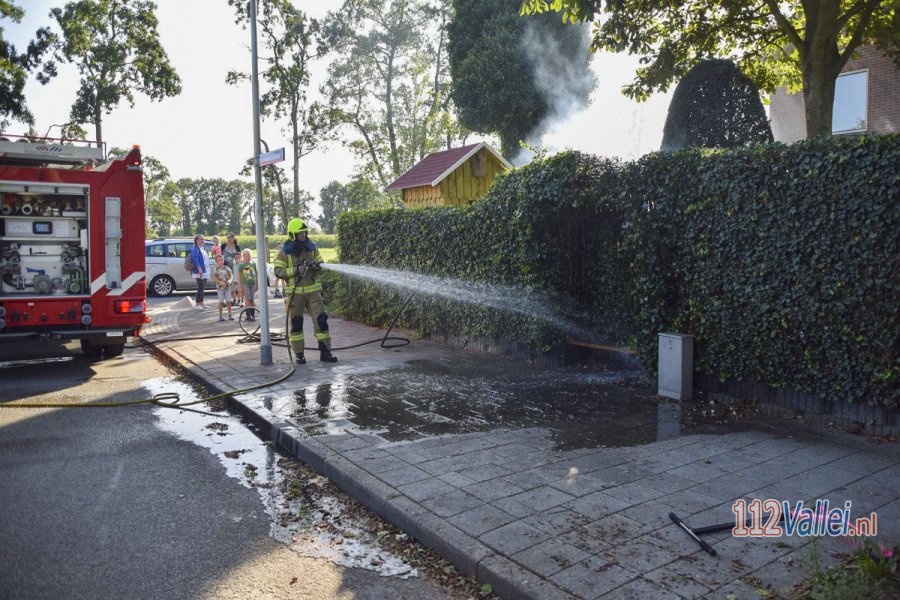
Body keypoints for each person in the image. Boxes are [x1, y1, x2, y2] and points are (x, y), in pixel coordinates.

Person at [273, 218, 337, 364]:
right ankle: (299, 355)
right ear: (292, 235)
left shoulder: (312, 247)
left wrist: (317, 265)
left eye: (304, 232)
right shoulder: (284, 252)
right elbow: (278, 271)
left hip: (313, 292)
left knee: (321, 321)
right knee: (296, 323)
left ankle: (326, 353)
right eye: (300, 233)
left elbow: (320, 262)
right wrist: (296, 270)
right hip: (295, 294)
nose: (303, 235)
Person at [211, 254, 234, 321]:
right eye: (220, 260)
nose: (221, 261)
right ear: (216, 262)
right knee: (221, 302)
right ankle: (220, 316)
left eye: (222, 260)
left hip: (227, 287)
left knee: (228, 301)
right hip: (220, 288)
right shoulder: (216, 269)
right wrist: (219, 281)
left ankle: (230, 315)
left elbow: (231, 275)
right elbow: (214, 277)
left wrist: (230, 280)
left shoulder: (226, 268)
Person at [221, 232, 242, 306]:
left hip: (234, 267)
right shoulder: (223, 246)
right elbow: (220, 256)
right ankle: (224, 300)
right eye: (227, 237)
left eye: (230, 237)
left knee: (234, 284)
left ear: (233, 238)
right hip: (225, 267)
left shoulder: (237, 246)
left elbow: (239, 256)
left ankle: (236, 300)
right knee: (225, 284)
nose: (229, 239)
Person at [190, 234, 210, 310]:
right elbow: (195, 259)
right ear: (197, 240)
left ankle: (201, 302)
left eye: (203, 239)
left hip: (205, 271)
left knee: (202, 288)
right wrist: (199, 269)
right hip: (199, 271)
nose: (202, 240)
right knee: (200, 288)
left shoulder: (202, 248)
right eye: (201, 239)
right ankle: (197, 303)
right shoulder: (195, 249)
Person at [237, 249, 258, 321]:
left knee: (252, 299)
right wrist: (239, 286)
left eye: (249, 256)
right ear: (244, 256)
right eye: (246, 256)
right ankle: (248, 315)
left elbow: (256, 274)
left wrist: (257, 284)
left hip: (253, 283)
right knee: (247, 299)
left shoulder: (253, 264)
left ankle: (252, 314)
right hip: (245, 283)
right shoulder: (242, 265)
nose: (248, 257)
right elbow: (239, 276)